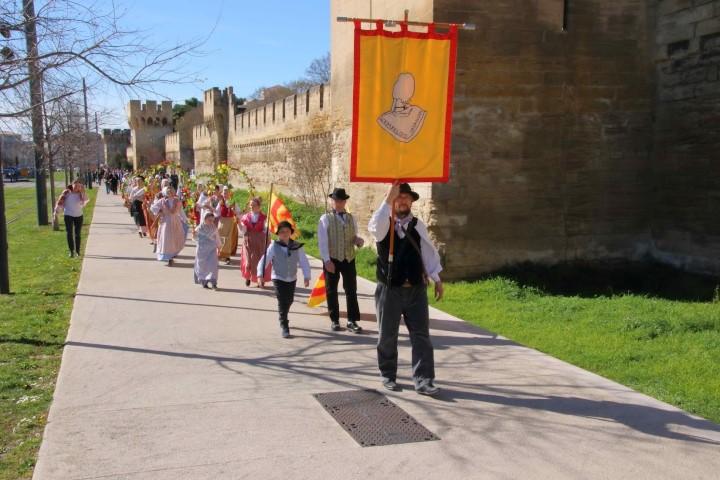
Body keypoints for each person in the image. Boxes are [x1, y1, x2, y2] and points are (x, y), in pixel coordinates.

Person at [368, 182, 444, 396]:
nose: (402, 201)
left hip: (416, 290)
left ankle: (424, 380)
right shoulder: (384, 223)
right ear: (392, 199)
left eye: (406, 197)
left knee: (421, 336)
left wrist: (436, 278)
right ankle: (388, 375)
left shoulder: (418, 225)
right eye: (398, 197)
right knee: (387, 335)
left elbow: (428, 253)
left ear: (411, 201)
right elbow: (374, 228)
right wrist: (387, 198)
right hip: (389, 290)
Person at [317, 187, 365, 333]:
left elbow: (353, 236)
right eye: (336, 200)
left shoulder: (351, 218)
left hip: (349, 258)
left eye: (341, 200)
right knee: (331, 290)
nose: (339, 203)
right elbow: (322, 241)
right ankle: (335, 320)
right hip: (332, 258)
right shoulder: (325, 218)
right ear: (333, 201)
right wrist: (326, 260)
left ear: (345, 202)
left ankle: (352, 320)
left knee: (351, 290)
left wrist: (358, 241)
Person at [258, 221, 311, 339]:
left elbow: (303, 261)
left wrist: (307, 276)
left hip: (291, 277)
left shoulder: (297, 246)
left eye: (287, 231)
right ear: (278, 234)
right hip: (278, 277)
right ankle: (284, 323)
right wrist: (260, 274)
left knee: (290, 299)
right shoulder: (274, 246)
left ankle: (283, 314)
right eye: (282, 232)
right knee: (282, 300)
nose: (284, 233)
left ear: (291, 232)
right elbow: (264, 260)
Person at [240, 197, 271, 287]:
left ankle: (260, 279)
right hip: (248, 240)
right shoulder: (245, 217)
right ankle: (248, 277)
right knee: (248, 260)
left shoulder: (264, 217)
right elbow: (243, 230)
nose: (251, 207)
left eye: (253, 205)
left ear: (258, 206)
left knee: (259, 260)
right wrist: (239, 223)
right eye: (250, 205)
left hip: (260, 241)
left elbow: (266, 230)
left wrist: (268, 229)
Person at [150, 186, 186, 266]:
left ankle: (172, 255)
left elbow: (181, 211)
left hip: (175, 222)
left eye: (172, 191)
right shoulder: (162, 201)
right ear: (166, 192)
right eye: (168, 192)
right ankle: (168, 257)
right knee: (167, 239)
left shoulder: (177, 201)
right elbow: (153, 208)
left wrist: (185, 219)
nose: (170, 193)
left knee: (174, 238)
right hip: (166, 222)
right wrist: (160, 212)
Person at [54, 180, 89, 258]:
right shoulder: (66, 193)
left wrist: (83, 192)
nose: (77, 187)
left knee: (78, 234)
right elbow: (60, 202)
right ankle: (71, 251)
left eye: (78, 186)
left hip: (79, 215)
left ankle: (77, 251)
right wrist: (56, 212)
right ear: (72, 185)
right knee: (69, 233)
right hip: (68, 215)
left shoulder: (81, 193)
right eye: (75, 185)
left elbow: (85, 201)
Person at [193, 212, 221, 289]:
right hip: (202, 250)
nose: (211, 222)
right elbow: (195, 239)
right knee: (203, 266)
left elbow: (217, 238)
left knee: (213, 266)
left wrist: (219, 247)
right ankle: (204, 282)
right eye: (209, 220)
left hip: (212, 249)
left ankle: (213, 282)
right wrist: (194, 235)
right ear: (204, 219)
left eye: (212, 220)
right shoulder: (199, 228)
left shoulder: (214, 228)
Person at [215, 186, 239, 265]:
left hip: (230, 221)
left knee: (228, 239)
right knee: (220, 237)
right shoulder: (221, 202)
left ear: (230, 193)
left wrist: (234, 210)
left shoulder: (233, 202)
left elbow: (237, 212)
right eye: (224, 192)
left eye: (227, 192)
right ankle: (220, 253)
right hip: (222, 221)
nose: (225, 194)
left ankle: (227, 256)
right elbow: (217, 212)